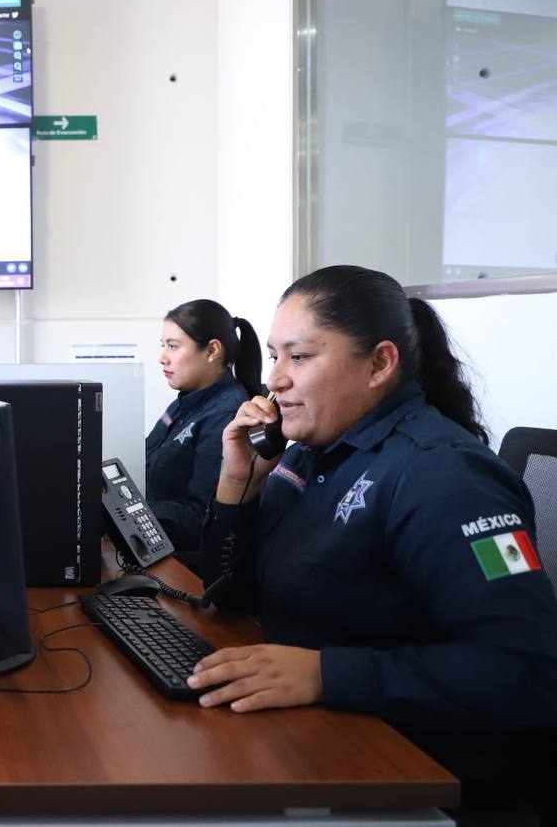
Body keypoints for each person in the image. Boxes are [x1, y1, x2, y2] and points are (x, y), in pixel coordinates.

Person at [190, 266, 557, 823]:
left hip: (415, 774)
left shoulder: (445, 478)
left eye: (301, 357)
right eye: (274, 356)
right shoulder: (312, 452)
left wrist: (324, 674)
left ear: (380, 364)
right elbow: (230, 594)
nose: (275, 381)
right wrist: (237, 480)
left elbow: (528, 670)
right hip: (320, 738)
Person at [144, 299, 261, 569]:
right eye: (163, 346)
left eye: (173, 346)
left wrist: (128, 512)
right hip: (157, 549)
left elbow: (199, 518)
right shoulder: (186, 400)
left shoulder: (226, 414)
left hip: (184, 566)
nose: (163, 357)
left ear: (211, 351)